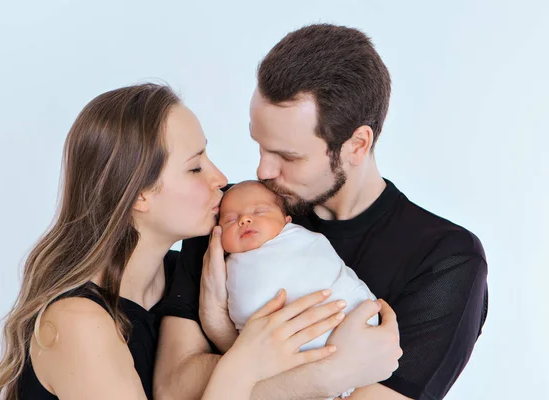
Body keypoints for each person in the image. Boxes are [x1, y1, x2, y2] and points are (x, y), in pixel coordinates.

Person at [154, 24, 488, 400]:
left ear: (357, 145)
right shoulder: (235, 214)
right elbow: (172, 388)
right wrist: (331, 373)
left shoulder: (444, 260)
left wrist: (224, 339)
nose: (263, 171)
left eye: (287, 156)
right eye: (260, 145)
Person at [0, 83, 361, 400]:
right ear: (138, 195)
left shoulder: (186, 275)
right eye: (195, 167)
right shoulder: (79, 324)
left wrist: (223, 332)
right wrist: (246, 364)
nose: (220, 178)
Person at [222, 180, 380, 399]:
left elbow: (328, 269)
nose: (244, 220)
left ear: (286, 220)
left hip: (346, 327)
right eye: (230, 219)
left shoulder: (301, 241)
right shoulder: (226, 268)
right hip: (281, 369)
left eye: (259, 211)